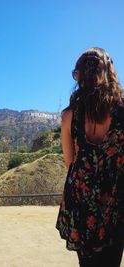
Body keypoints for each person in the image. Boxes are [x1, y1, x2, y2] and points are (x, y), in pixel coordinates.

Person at [56, 47, 124, 267]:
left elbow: (70, 162)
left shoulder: (69, 116)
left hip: (81, 205)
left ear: (80, 77)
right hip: (116, 201)